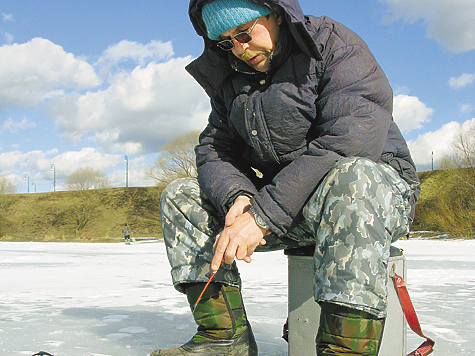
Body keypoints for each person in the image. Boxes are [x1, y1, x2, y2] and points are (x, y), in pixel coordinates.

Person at [153, 0, 420, 355]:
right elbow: (214, 149)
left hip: (374, 195)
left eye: (244, 33)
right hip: (293, 205)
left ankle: (346, 349)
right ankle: (223, 338)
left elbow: (347, 143)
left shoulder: (333, 45)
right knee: (181, 195)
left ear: (276, 13)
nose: (239, 48)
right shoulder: (231, 81)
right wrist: (239, 197)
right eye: (225, 42)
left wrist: (262, 216)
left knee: (354, 175)